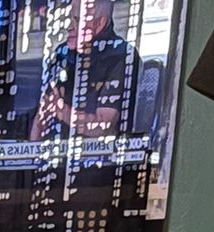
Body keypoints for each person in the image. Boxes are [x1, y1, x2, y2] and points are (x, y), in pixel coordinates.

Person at [31, 0, 140, 139]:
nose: (69, 26)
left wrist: (61, 110)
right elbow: (41, 119)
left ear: (99, 23)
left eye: (77, 20)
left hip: (100, 156)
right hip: (56, 153)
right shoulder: (62, 54)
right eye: (68, 19)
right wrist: (32, 155)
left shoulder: (121, 55)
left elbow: (103, 127)